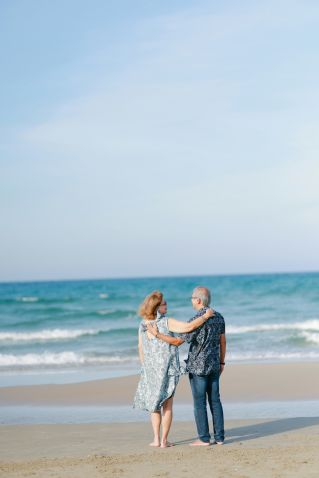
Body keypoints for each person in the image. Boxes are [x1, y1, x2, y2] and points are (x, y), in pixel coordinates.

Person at [148, 286, 226, 446]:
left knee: (199, 403)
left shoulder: (195, 320)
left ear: (198, 300)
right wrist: (222, 361)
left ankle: (204, 439)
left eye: (192, 298)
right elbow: (223, 341)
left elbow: (177, 341)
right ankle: (219, 437)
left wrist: (157, 334)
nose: (191, 300)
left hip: (198, 367)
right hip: (214, 365)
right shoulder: (219, 317)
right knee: (215, 401)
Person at [133, 290, 213, 448]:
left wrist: (145, 367)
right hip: (168, 370)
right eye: (164, 304)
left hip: (150, 370)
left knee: (154, 405)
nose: (166, 306)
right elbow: (188, 327)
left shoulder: (142, 325)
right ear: (157, 308)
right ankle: (164, 441)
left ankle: (156, 439)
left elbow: (140, 347)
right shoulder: (166, 322)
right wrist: (205, 316)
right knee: (167, 405)